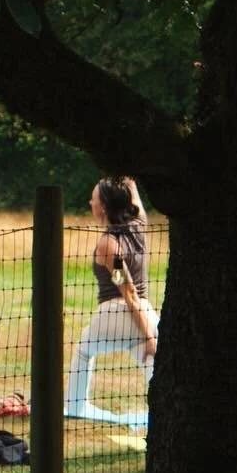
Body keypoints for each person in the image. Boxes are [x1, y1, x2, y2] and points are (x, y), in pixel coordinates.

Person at [64, 175, 156, 420]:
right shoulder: (139, 225)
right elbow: (133, 187)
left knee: (83, 352)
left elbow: (128, 291)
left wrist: (148, 335)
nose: (89, 202)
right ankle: (165, 409)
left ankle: (74, 407)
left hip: (115, 313)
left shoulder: (108, 244)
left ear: (102, 206)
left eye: (93, 199)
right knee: (151, 361)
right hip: (144, 312)